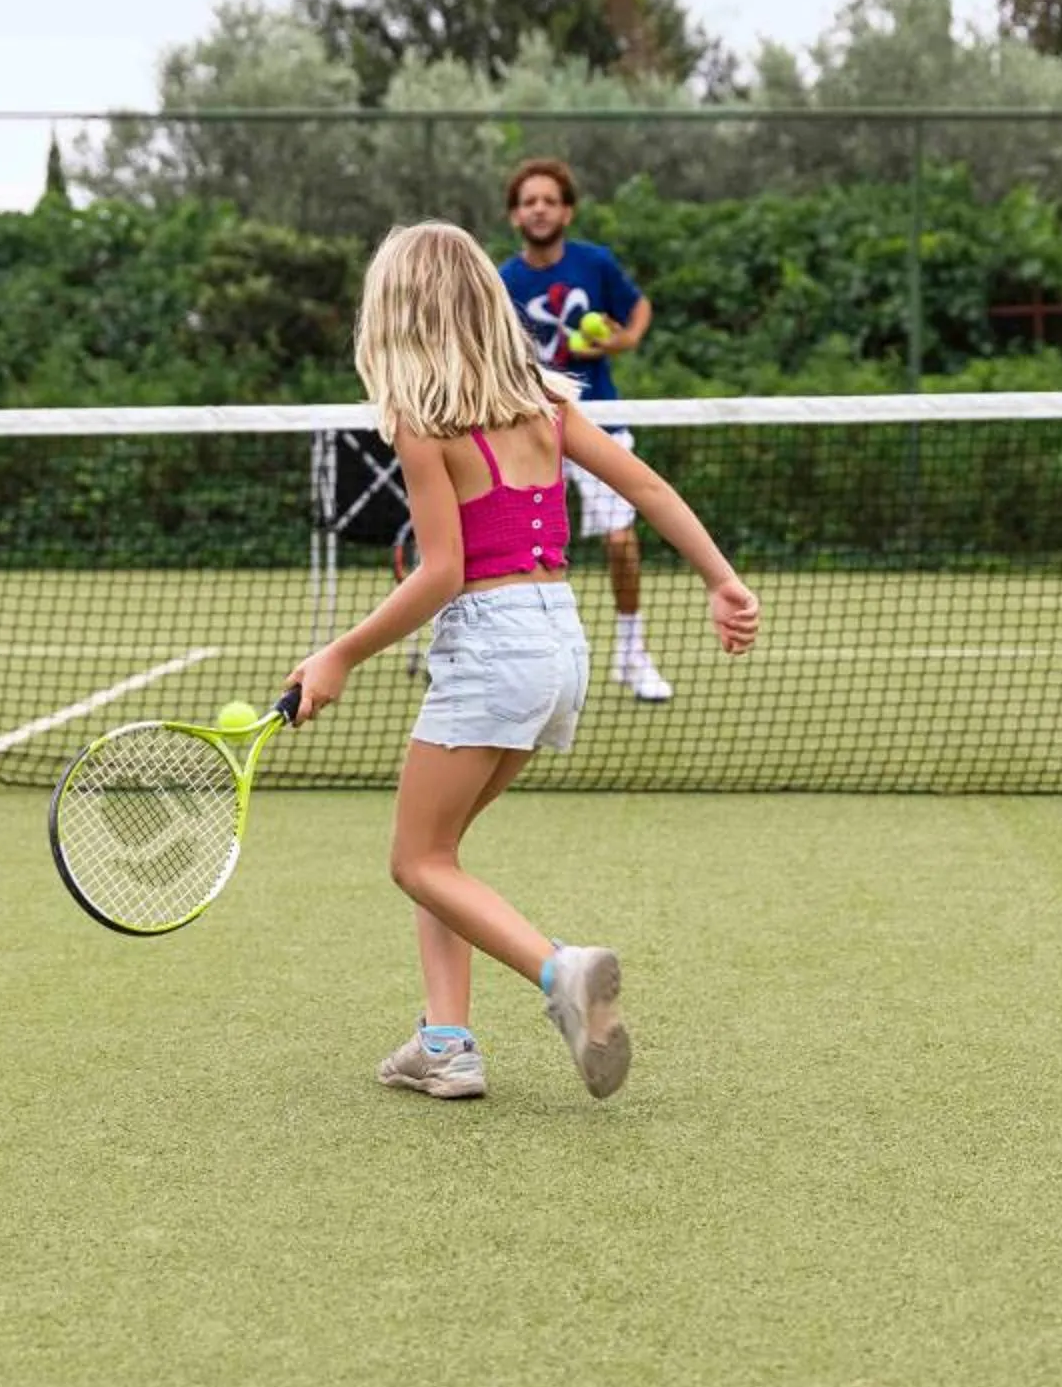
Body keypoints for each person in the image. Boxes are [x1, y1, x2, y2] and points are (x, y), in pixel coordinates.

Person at [287, 221, 760, 1102]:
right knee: (442, 852)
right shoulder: (543, 400)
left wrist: (340, 655)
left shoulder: (421, 422)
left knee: (413, 860)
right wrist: (722, 580)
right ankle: (447, 1044)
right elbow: (644, 484)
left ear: (395, 313)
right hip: (560, 647)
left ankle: (561, 975)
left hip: (493, 647)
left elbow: (442, 572)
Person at [497, 157, 672, 701]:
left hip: (598, 419)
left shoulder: (596, 264)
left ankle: (631, 654)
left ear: (567, 210)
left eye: (550, 200)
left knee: (621, 541)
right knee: (514, 551)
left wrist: (619, 341)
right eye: (530, 201)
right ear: (514, 216)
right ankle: (510, 658)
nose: (540, 209)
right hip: (529, 425)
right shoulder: (502, 281)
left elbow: (638, 309)